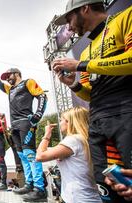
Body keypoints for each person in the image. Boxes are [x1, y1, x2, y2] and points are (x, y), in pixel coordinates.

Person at [52, 0, 132, 202]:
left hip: (126, 114)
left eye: (69, 19)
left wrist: (81, 64)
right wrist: (74, 84)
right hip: (97, 123)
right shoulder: (86, 50)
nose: (69, 27)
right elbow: (89, 94)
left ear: (85, 8)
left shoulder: (126, 17)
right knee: (108, 187)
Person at [0, 64, 47, 201]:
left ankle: (40, 188)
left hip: (26, 122)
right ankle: (29, 184)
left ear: (16, 73)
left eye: (9, 76)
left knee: (30, 154)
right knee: (21, 155)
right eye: (6, 77)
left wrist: (38, 114)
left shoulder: (28, 82)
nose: (7, 79)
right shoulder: (10, 89)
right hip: (15, 126)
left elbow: (42, 96)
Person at [36, 106, 102, 203]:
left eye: (62, 120)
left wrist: (47, 134)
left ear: (69, 122)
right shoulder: (84, 139)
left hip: (79, 197)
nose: (60, 123)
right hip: (87, 195)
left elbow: (40, 156)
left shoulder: (73, 140)